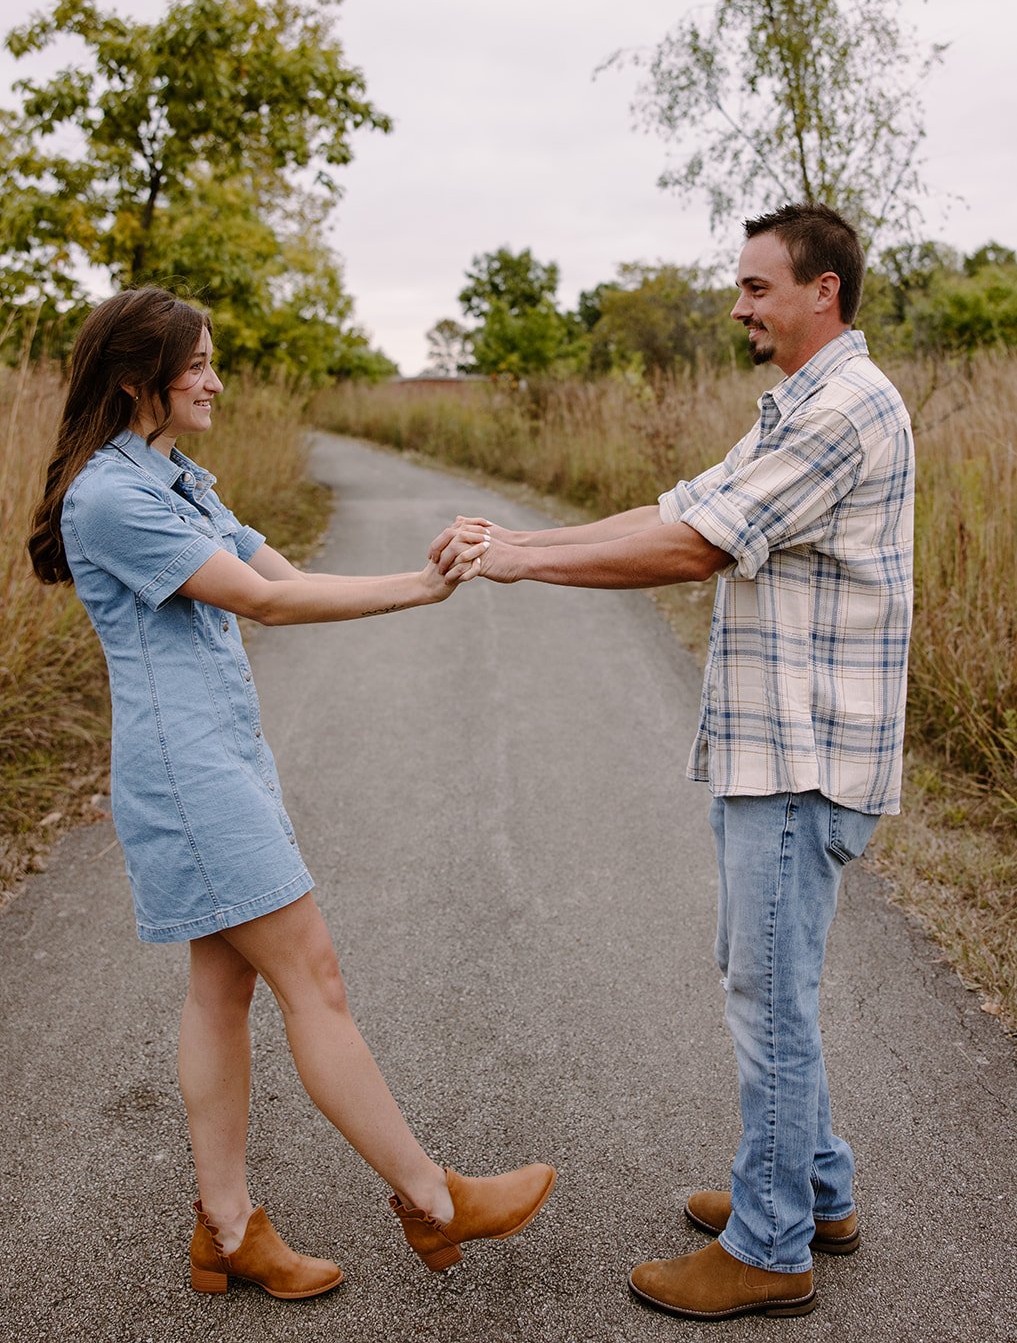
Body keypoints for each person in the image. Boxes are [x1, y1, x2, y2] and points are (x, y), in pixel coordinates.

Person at [433, 202, 914, 1323]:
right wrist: (516, 542)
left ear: (822, 291)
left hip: (802, 757)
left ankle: (771, 1245)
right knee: (768, 981)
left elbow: (694, 545)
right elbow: (681, 505)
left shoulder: (842, 409)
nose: (739, 304)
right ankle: (816, 1188)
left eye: (756, 286)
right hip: (776, 749)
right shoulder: (797, 405)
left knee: (769, 999)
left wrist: (521, 571)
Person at [28, 286, 554, 1301]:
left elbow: (282, 568)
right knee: (314, 976)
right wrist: (426, 586)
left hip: (221, 760)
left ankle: (226, 1230)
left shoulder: (176, 479)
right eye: (202, 364)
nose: (217, 380)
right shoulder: (111, 496)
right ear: (142, 379)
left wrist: (419, 574)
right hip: (189, 777)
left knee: (222, 991)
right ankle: (433, 1199)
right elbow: (264, 599)